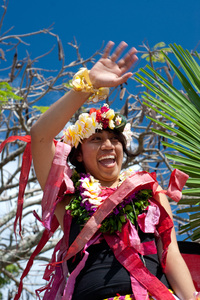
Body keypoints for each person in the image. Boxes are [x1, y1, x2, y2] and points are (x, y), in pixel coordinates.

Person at [29, 41, 197, 300]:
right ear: (78, 155)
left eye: (114, 138)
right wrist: (88, 86)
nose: (108, 145)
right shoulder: (69, 196)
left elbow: (170, 255)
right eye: (96, 139)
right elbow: (40, 136)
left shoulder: (151, 192)